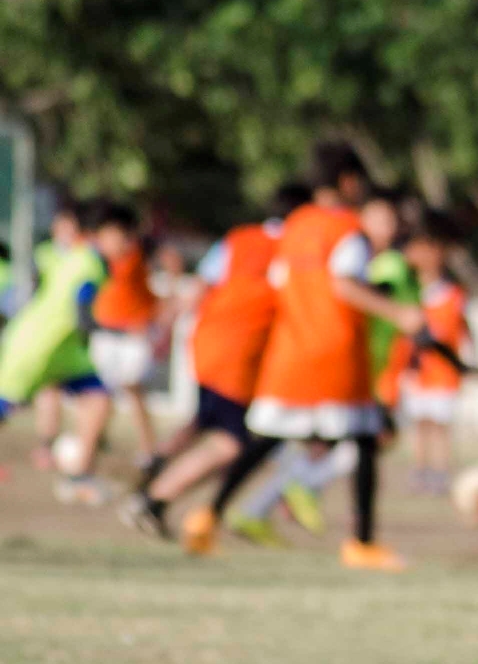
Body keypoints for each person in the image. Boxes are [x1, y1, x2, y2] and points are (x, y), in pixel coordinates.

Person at [181, 143, 423, 568]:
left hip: (291, 354)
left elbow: (279, 283)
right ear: (349, 182)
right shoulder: (346, 228)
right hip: (335, 354)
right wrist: (398, 312)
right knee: (366, 441)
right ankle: (361, 543)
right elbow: (343, 284)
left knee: (266, 439)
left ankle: (207, 515)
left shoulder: (296, 226)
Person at [120, 182, 309, 540]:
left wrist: (165, 327)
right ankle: (153, 499)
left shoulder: (239, 238)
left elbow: (202, 286)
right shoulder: (295, 249)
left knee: (205, 421)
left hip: (207, 341)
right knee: (232, 443)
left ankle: (155, 461)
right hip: (238, 355)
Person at [0, 198, 113, 500]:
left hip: (64, 349)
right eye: (125, 236)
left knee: (99, 399)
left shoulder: (74, 256)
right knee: (4, 406)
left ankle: (78, 477)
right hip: (38, 347)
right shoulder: (87, 261)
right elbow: (82, 305)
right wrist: (109, 329)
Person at [84, 199, 164, 468]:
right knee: (101, 396)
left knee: (132, 391)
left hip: (132, 337)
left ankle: (148, 450)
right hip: (106, 335)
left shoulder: (134, 256)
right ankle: (92, 448)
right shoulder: (93, 260)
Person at [396, 211, 472, 493]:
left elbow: (464, 329)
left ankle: (440, 472)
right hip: (419, 371)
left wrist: (468, 361)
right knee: (420, 423)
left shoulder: (454, 294)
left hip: (444, 373)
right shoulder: (410, 292)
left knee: (440, 425)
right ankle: (420, 470)